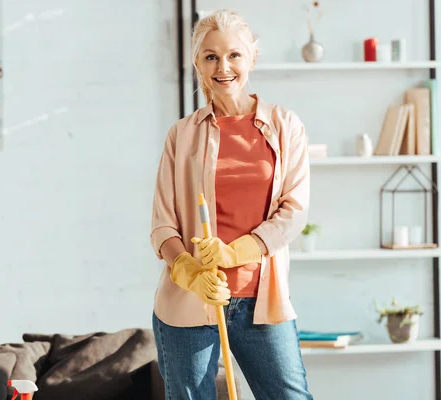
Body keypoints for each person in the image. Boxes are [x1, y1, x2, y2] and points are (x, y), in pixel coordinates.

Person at [149, 9, 313, 400]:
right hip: (188, 306)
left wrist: (234, 251)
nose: (223, 67)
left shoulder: (286, 126)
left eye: (234, 55)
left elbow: (294, 212)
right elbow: (162, 226)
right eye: (210, 57)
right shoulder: (182, 135)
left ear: (252, 57)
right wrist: (190, 272)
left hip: (262, 301)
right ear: (197, 64)